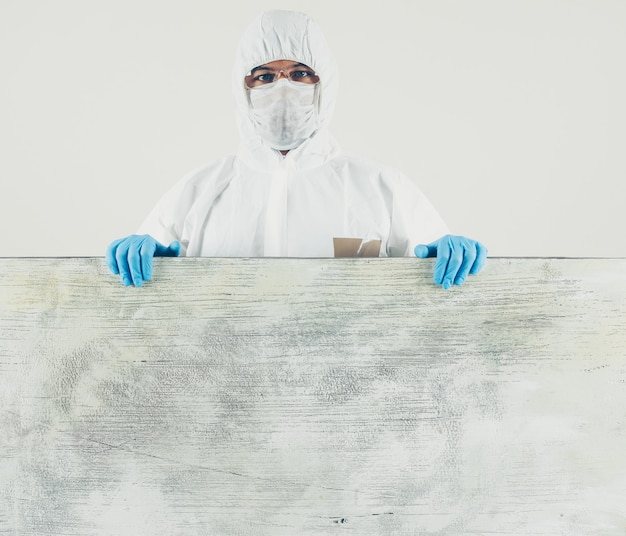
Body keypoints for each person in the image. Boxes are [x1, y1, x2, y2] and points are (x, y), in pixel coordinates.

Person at [106, 9, 487, 289]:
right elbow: (142, 291)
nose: (284, 88)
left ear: (326, 84)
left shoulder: (381, 188)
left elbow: (436, 277)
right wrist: (144, 256)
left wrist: (448, 254)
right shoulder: (199, 191)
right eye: (265, 76)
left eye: (301, 73)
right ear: (244, 90)